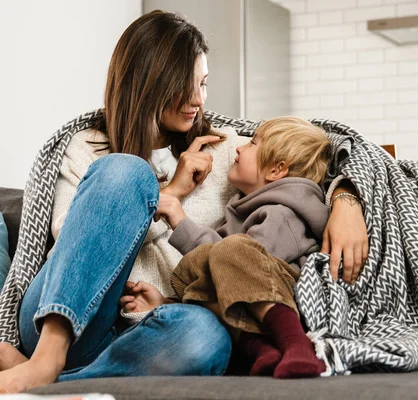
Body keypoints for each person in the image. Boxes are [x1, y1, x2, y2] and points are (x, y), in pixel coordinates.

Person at [0, 10, 367, 394]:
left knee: (206, 337)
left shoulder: (228, 150)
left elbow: (328, 146)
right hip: (63, 319)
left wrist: (346, 197)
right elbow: (76, 242)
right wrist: (171, 194)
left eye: (204, 84)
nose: (198, 99)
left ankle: (50, 379)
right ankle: (45, 360)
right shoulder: (86, 149)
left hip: (155, 329)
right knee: (125, 171)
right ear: (148, 84)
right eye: (185, 85)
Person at [121, 117, 331, 379]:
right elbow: (221, 282)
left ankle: (296, 343)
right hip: (247, 303)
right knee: (193, 268)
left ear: (277, 170)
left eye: (253, 143)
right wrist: (166, 303)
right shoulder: (243, 210)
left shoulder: (283, 213)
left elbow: (244, 267)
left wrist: (180, 220)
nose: (240, 148)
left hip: (284, 299)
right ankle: (260, 349)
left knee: (227, 253)